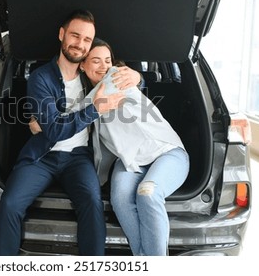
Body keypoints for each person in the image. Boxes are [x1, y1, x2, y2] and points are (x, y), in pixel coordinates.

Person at [0, 10, 128, 256]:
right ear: (62, 35)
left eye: (87, 40)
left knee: (91, 202)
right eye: (75, 36)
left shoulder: (92, 75)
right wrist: (94, 110)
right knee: (10, 204)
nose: (80, 44)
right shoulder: (40, 78)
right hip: (42, 157)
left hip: (78, 158)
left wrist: (136, 75)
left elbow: (129, 83)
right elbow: (53, 131)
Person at [79, 38, 190, 256]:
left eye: (107, 60)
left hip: (166, 152)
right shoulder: (87, 99)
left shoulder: (115, 78)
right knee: (120, 200)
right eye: (95, 61)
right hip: (130, 161)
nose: (104, 66)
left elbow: (80, 110)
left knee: (147, 193)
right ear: (82, 65)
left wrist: (138, 77)